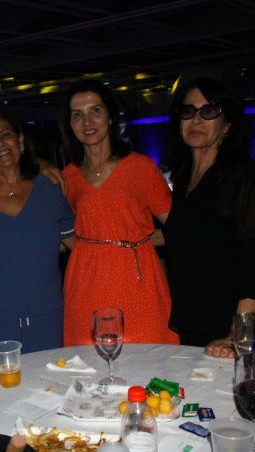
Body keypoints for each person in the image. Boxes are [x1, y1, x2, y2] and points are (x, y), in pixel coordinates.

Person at [163, 77, 255, 358]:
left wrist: (236, 335)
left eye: (209, 111)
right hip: (194, 317)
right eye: (188, 111)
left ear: (227, 124)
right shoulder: (182, 180)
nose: (196, 119)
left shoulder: (243, 178)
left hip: (232, 323)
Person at [60, 79, 179, 346]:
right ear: (70, 124)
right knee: (88, 356)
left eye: (95, 110)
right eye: (77, 114)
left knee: (147, 352)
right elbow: (65, 231)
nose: (87, 121)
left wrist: (142, 241)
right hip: (86, 280)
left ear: (110, 117)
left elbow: (178, 226)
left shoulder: (140, 167)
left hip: (136, 277)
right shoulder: (68, 177)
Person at [0, 111, 75, 363]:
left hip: (47, 317)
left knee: (50, 383)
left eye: (5, 135)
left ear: (20, 142)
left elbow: (77, 245)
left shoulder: (49, 189)